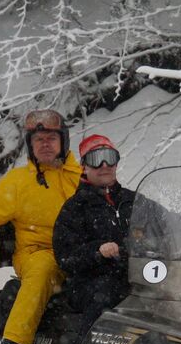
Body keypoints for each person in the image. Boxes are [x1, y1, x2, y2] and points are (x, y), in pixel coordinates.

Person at [0, 109, 81, 344]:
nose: (45, 145)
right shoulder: (18, 183)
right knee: (43, 268)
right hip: (37, 253)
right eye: (38, 140)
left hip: (80, 254)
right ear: (30, 145)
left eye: (51, 138)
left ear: (64, 141)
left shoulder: (82, 178)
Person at [52, 133, 134, 329]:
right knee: (105, 294)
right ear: (84, 166)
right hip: (90, 281)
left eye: (110, 157)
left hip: (137, 275)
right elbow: (65, 256)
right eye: (95, 160)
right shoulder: (75, 208)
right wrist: (97, 251)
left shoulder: (133, 200)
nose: (104, 165)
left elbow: (165, 220)